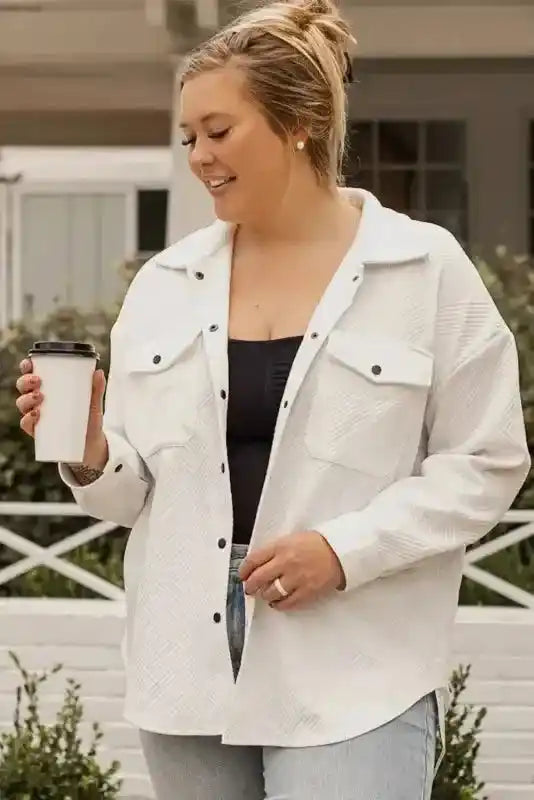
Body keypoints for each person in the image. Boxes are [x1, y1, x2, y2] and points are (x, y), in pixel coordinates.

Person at [15, 0, 530, 797]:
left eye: (219, 131)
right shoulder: (164, 286)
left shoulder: (423, 269)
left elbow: (487, 461)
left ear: (301, 122)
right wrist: (90, 453)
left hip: (355, 662)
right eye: (188, 138)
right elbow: (132, 496)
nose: (199, 157)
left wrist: (345, 550)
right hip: (184, 664)